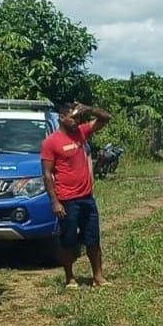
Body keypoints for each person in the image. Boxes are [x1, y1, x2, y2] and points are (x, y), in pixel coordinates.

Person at [42, 102, 113, 289]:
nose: (76, 121)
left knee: (93, 239)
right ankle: (69, 277)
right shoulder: (51, 142)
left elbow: (105, 118)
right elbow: (47, 174)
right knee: (68, 240)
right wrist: (55, 202)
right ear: (61, 118)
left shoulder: (81, 133)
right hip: (67, 199)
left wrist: (88, 109)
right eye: (73, 117)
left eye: (78, 118)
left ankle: (98, 277)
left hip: (87, 198)